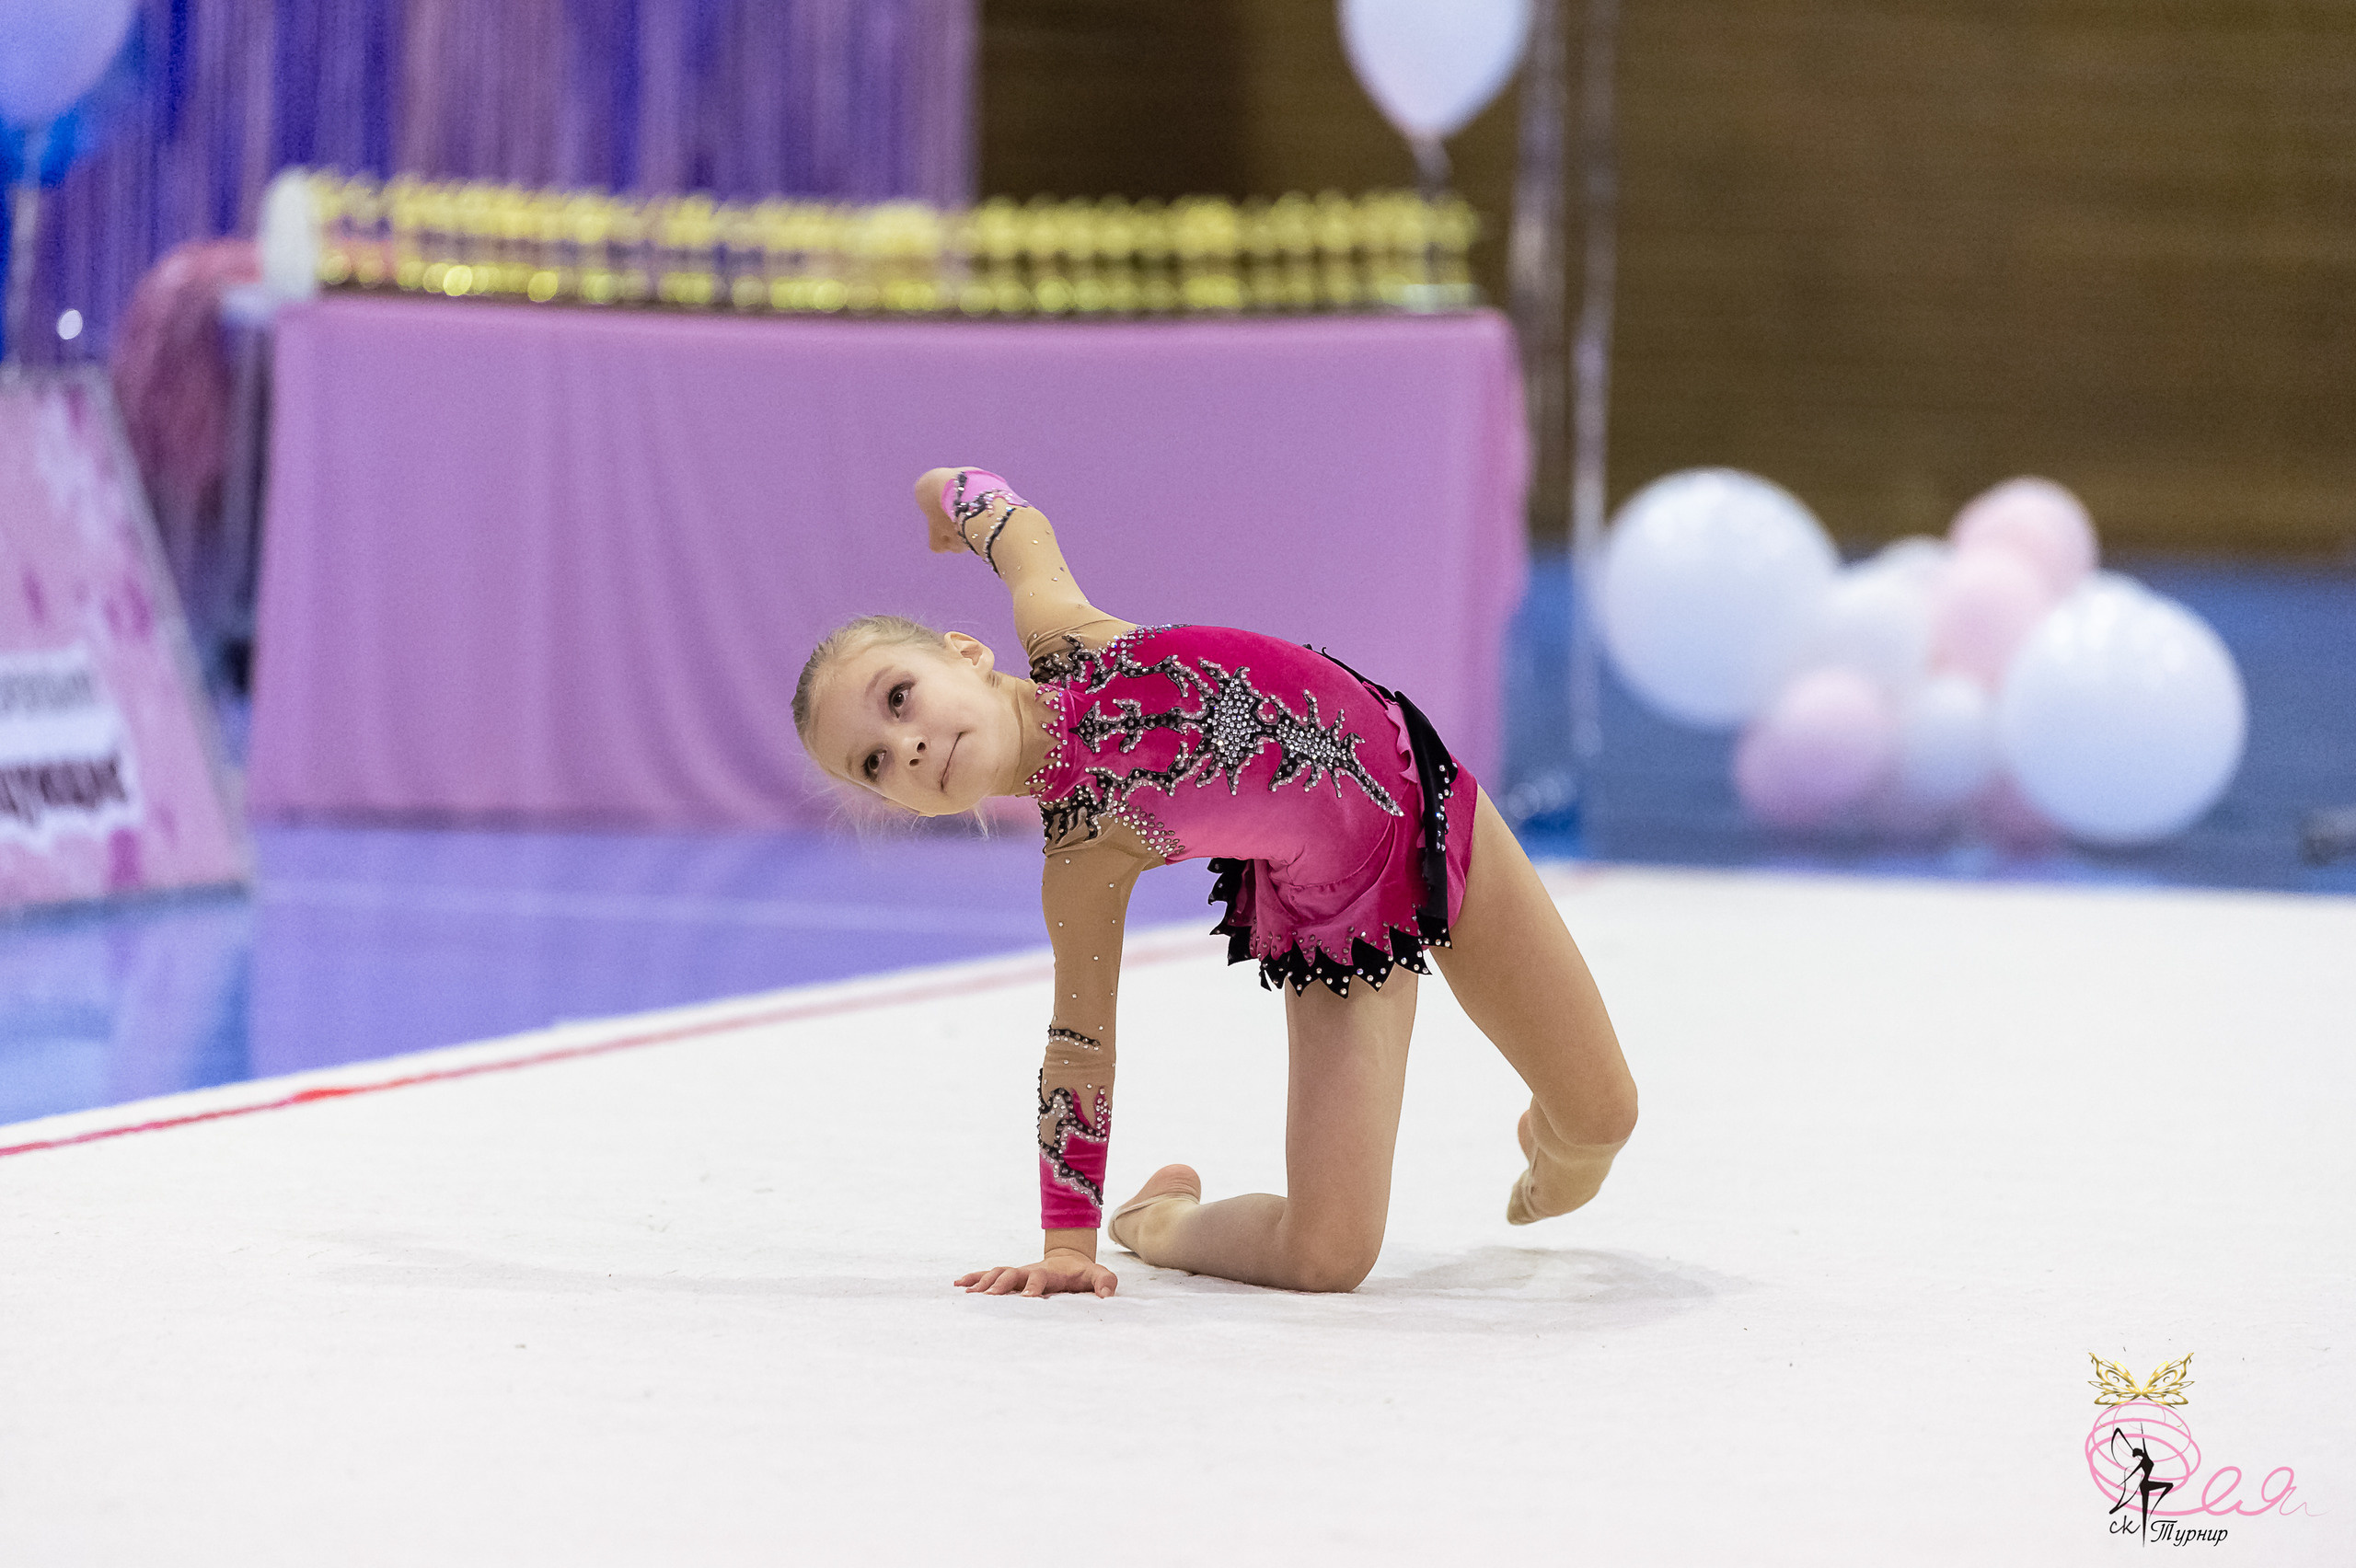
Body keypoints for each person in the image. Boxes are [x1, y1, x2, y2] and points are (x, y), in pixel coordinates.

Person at [791, 467, 1638, 1297]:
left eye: (898, 698)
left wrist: (941, 490)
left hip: (1422, 792)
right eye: (874, 764)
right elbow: (1079, 1049)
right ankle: (1161, 1222)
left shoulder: (1068, 633)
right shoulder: (1085, 860)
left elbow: (1013, 525)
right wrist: (1067, 1245)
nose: (905, 746)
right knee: (1326, 1258)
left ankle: (1561, 1133)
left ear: (967, 655)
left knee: (1603, 1121)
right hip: (1341, 924)